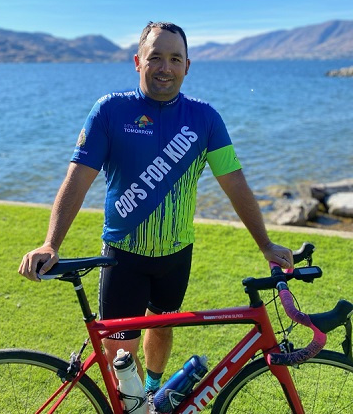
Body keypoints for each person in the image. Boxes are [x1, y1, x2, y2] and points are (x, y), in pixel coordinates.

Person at [19, 21, 293, 405]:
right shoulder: (110, 111)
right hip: (123, 257)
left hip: (177, 255)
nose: (165, 67)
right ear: (137, 62)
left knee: (163, 327)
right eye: (156, 57)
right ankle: (131, 405)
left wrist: (264, 242)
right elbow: (77, 180)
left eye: (175, 58)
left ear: (187, 66)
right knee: (121, 354)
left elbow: (235, 184)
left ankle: (152, 395)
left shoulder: (205, 119)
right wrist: (51, 243)